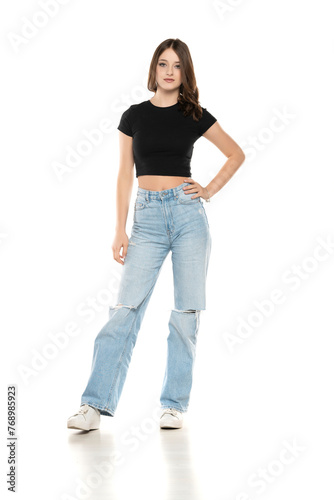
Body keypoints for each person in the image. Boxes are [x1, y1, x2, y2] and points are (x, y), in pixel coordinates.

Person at [67, 38, 245, 432]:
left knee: (186, 312)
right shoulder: (133, 116)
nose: (169, 71)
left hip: (187, 217)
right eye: (163, 64)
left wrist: (209, 190)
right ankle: (93, 406)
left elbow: (236, 153)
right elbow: (123, 174)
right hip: (145, 218)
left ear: (185, 72)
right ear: (154, 68)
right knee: (124, 311)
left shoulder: (195, 114)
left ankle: (173, 406)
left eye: (177, 66)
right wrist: (119, 227)